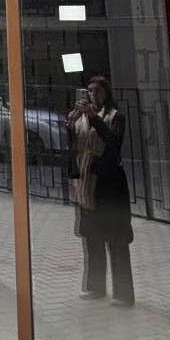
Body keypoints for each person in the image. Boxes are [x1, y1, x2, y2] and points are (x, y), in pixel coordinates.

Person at [65, 75, 134, 306]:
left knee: (116, 240)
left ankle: (123, 294)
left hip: (109, 186)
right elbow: (74, 147)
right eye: (89, 91)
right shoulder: (81, 118)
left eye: (97, 90)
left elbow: (113, 143)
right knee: (93, 238)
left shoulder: (115, 117)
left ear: (106, 93)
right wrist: (70, 125)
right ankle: (95, 287)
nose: (92, 95)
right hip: (88, 185)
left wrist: (94, 119)